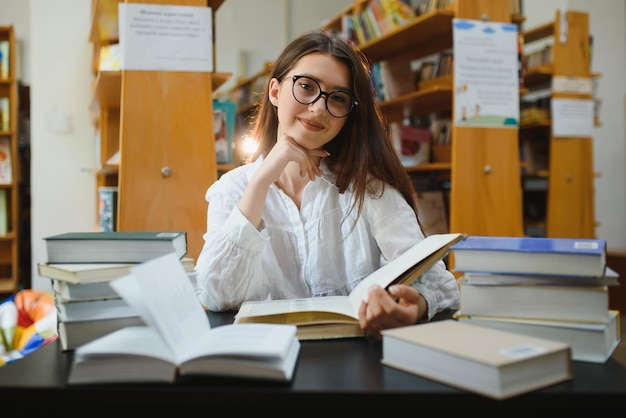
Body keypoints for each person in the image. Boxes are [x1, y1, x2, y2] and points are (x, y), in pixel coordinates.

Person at [196, 30, 459, 339]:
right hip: (264, 364)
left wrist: (416, 304)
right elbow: (216, 295)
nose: (319, 108)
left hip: (356, 365)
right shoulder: (232, 190)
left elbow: (439, 283)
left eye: (337, 98)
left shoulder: (368, 187)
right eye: (306, 87)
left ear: (348, 114)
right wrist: (261, 181)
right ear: (275, 91)